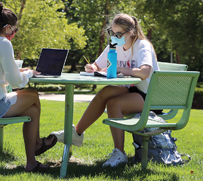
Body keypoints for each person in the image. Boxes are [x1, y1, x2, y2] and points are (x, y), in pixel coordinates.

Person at [51, 13, 159, 168]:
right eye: (112, 33)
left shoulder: (142, 46)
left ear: (131, 32)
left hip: (149, 96)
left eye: (118, 34)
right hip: (133, 91)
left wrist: (120, 69)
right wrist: (91, 68)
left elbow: (144, 72)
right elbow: (97, 66)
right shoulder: (114, 45)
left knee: (114, 104)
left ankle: (119, 153)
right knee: (107, 92)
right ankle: (77, 133)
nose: (114, 37)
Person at [0, 2, 57, 172]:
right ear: (7, 28)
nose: (14, 34)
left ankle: (32, 163)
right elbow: (16, 83)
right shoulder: (3, 43)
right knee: (33, 94)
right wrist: (30, 73)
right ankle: (37, 144)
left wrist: (16, 71)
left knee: (32, 111)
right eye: (14, 30)